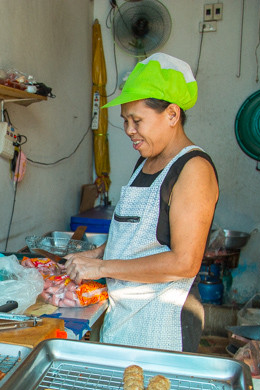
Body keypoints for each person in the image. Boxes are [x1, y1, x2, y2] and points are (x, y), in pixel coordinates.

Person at [66, 54, 219, 352]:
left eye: (137, 120)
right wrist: (96, 254)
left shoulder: (193, 169)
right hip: (125, 315)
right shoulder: (145, 163)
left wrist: (102, 267)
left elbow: (185, 262)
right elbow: (136, 235)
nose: (129, 130)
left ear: (172, 115)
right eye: (125, 120)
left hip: (163, 323)